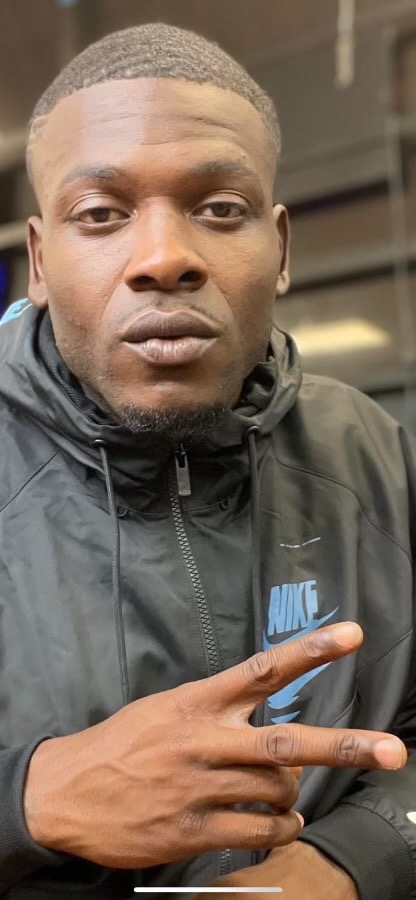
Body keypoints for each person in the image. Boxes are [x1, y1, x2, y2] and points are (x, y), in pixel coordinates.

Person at [0, 21, 415, 900]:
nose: (163, 259)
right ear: (38, 259)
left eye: (220, 209)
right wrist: (26, 801)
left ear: (282, 249)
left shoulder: (375, 453)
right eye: (101, 214)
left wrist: (354, 859)